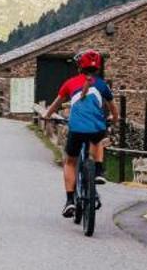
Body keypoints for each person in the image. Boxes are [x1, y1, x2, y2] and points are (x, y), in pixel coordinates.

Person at [42, 50, 112, 218]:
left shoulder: (70, 83)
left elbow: (56, 105)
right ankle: (98, 172)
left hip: (77, 129)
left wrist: (47, 116)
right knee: (97, 141)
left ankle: (70, 200)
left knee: (70, 162)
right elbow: (111, 107)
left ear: (79, 67)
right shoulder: (102, 84)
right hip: (96, 128)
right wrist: (112, 118)